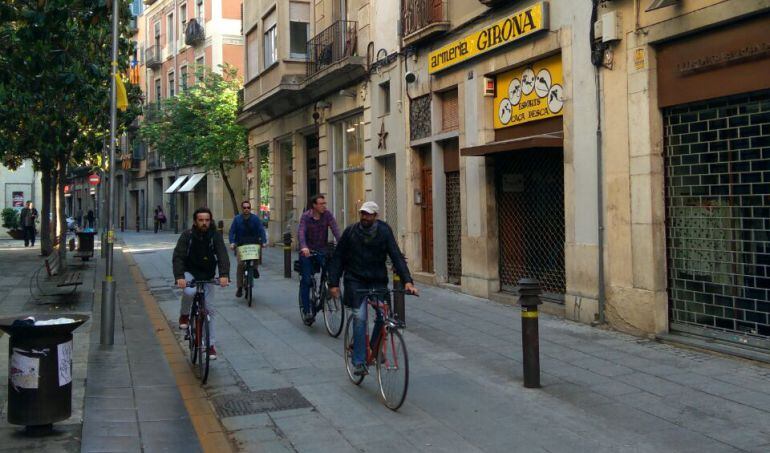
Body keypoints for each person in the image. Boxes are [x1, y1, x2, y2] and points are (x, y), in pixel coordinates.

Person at [328, 201, 417, 376]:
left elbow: (396, 255)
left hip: (377, 280)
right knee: (360, 317)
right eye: (362, 213)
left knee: (384, 315)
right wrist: (333, 283)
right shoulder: (351, 232)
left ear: (375, 216)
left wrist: (407, 281)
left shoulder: (384, 232)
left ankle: (373, 348)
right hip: (355, 279)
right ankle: (359, 361)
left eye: (368, 214)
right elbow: (338, 257)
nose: (364, 217)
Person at [172, 207, 230, 360]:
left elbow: (222, 255)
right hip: (190, 272)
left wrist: (224, 275)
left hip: (208, 275)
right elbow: (178, 256)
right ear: (195, 221)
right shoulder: (187, 236)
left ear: (210, 221)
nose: (204, 223)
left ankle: (210, 345)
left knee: (210, 310)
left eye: (207, 220)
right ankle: (184, 315)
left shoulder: (214, 236)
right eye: (201, 220)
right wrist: (180, 277)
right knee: (189, 292)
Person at [297, 194, 341, 323]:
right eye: (321, 204)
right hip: (308, 251)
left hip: (322, 249)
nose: (324, 206)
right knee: (306, 280)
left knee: (330, 269)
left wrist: (343, 244)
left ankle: (326, 288)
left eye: (324, 203)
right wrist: (304, 247)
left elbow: (336, 229)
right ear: (314, 206)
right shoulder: (306, 217)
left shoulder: (327, 215)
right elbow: (301, 233)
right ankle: (307, 311)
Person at [228, 200, 267, 298]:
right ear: (242, 209)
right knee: (240, 265)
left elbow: (261, 230)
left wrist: (264, 241)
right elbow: (232, 232)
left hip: (253, 243)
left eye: (248, 207)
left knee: (257, 255)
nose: (246, 209)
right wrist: (232, 242)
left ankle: (254, 269)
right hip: (241, 244)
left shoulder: (255, 219)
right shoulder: (237, 219)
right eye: (244, 207)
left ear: (250, 208)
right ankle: (240, 287)